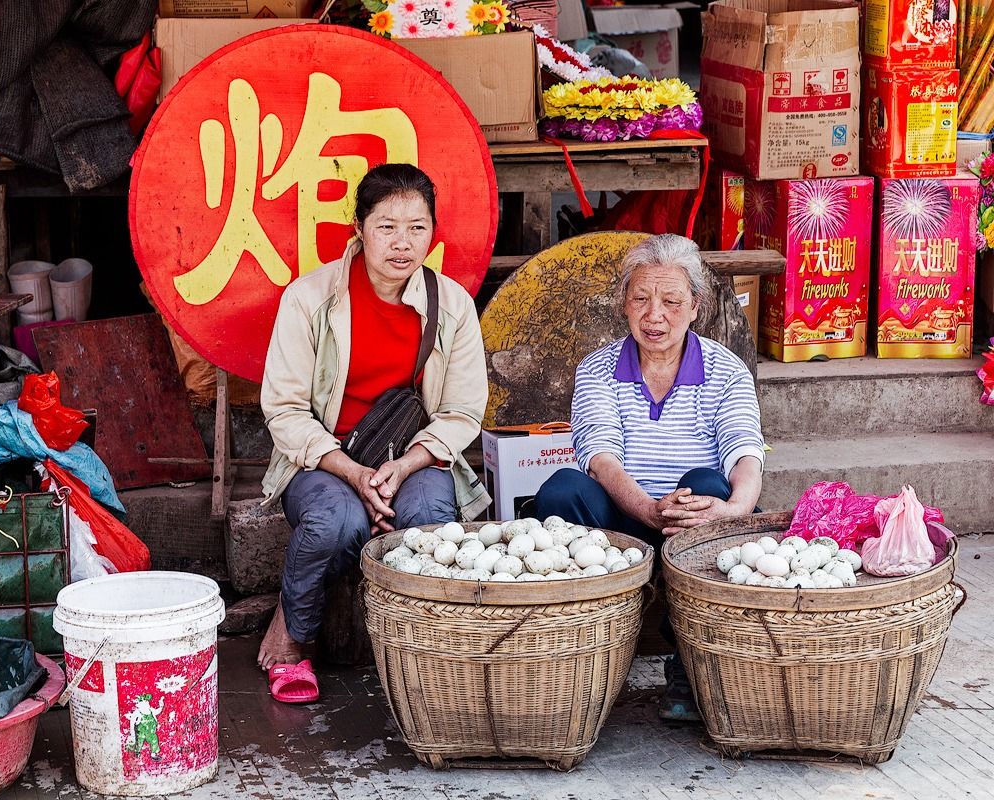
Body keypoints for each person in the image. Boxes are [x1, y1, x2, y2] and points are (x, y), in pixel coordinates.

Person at [256, 163, 491, 702]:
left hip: (413, 456)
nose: (403, 243)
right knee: (335, 521)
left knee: (429, 522)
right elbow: (286, 411)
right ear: (359, 228)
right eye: (387, 226)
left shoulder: (450, 305)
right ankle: (294, 636)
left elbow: (461, 411)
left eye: (417, 227)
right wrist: (356, 474)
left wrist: (405, 466)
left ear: (434, 232)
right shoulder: (310, 299)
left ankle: (430, 651)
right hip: (326, 459)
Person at [533, 233, 764, 721]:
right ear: (624, 303)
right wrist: (647, 511)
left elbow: (745, 453)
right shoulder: (597, 370)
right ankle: (584, 659)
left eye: (671, 301)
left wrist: (735, 510)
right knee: (561, 491)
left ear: (696, 306)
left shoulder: (727, 371)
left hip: (695, 523)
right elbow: (599, 456)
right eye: (641, 298)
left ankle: (688, 668)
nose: (654, 315)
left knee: (708, 482)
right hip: (624, 520)